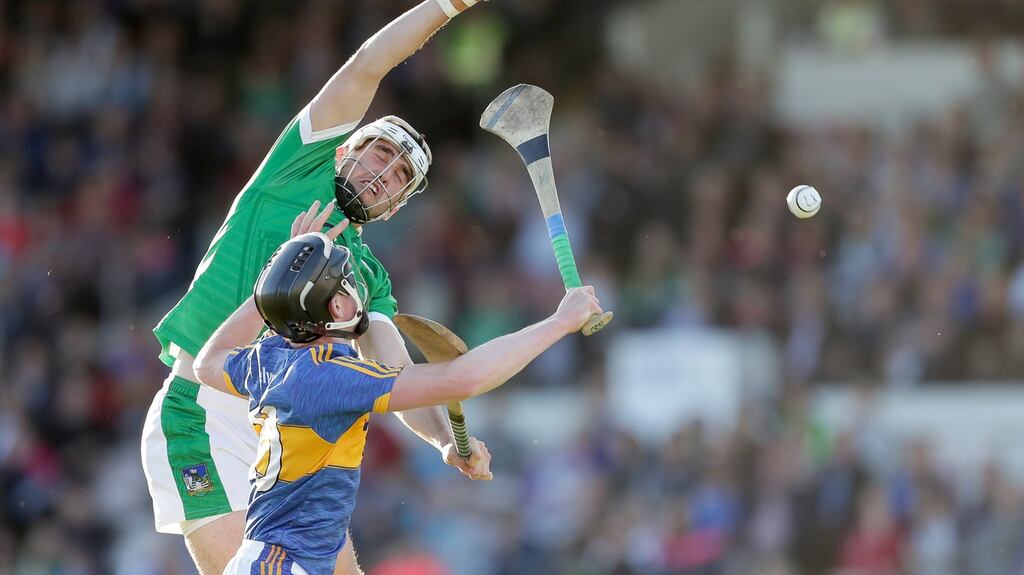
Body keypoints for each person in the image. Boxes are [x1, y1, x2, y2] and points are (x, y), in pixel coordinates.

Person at [139, 1, 490, 573]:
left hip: (293, 439)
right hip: (206, 412)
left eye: (399, 177)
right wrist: (446, 6)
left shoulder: (369, 277)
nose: (383, 176)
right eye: (380, 154)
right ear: (344, 149)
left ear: (395, 208)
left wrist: (444, 441)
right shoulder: (295, 170)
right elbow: (368, 64)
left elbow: (396, 374)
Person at [192, 217, 604, 575]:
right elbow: (463, 378)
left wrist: (278, 281)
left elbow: (207, 363)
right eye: (348, 283)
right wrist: (559, 322)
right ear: (338, 307)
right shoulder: (329, 377)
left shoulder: (271, 356)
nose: (358, 290)